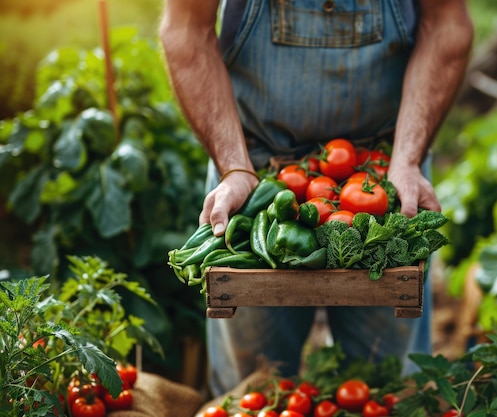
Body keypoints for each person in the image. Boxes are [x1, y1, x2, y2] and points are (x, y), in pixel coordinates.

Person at [160, 0, 473, 396]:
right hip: (256, 178)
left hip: (385, 176)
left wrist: (406, 160)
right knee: (253, 391)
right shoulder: (251, 179)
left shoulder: (390, 177)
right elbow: (186, 28)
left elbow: (446, 24)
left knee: (389, 389)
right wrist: (234, 167)